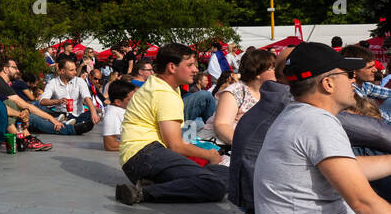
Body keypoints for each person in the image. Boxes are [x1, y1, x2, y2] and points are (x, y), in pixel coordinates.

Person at [253, 42, 391, 214]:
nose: (352, 81)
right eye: (346, 75)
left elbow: (349, 168)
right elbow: (364, 203)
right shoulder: (315, 122)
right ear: (327, 83)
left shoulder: (303, 114)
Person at [114, 43, 227, 205]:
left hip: (141, 157)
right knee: (215, 186)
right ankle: (142, 193)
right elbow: (175, 146)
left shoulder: (158, 84)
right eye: (189, 65)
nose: (196, 70)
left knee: (226, 175)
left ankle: (160, 183)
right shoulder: (164, 93)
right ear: (172, 67)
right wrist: (210, 155)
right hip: (144, 155)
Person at [211, 48, 276, 144]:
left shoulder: (270, 92)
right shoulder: (236, 92)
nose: (276, 71)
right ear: (258, 73)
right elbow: (221, 125)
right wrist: (245, 146)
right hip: (229, 145)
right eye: (272, 68)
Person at [36, 57, 99, 134]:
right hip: (61, 113)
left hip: (77, 115)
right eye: (71, 70)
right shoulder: (53, 82)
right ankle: (70, 125)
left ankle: (64, 123)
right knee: (37, 107)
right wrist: (58, 101)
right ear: (62, 71)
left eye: (75, 69)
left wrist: (93, 112)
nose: (75, 72)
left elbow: (87, 98)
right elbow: (42, 101)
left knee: (90, 113)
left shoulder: (80, 81)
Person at [99, 80, 134, 153]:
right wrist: (140, 145)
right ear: (118, 102)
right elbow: (110, 145)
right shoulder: (112, 115)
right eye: (130, 100)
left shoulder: (124, 109)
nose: (135, 102)